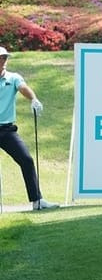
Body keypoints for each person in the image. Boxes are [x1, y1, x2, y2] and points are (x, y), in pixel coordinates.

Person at [0, 47, 59, 210]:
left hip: (7, 130)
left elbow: (23, 88)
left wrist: (33, 99)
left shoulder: (13, 78)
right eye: (0, 59)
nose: (3, 62)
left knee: (26, 160)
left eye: (4, 58)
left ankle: (37, 200)